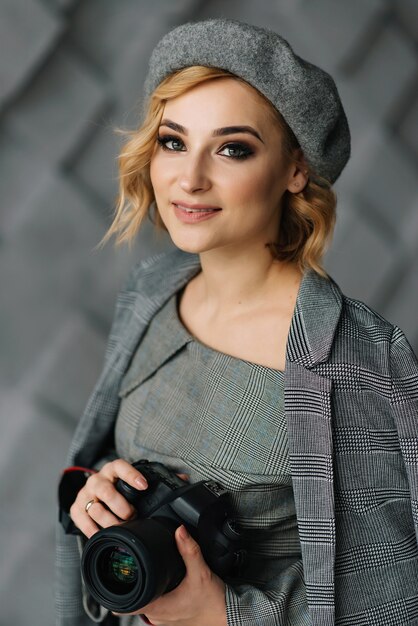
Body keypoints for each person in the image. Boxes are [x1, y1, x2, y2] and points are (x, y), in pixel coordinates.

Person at [56, 18, 418, 626]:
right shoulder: (151, 291)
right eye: (173, 141)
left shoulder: (352, 360)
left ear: (296, 170)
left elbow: (392, 599)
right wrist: (97, 499)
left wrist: (224, 615)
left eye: (233, 149)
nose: (190, 177)